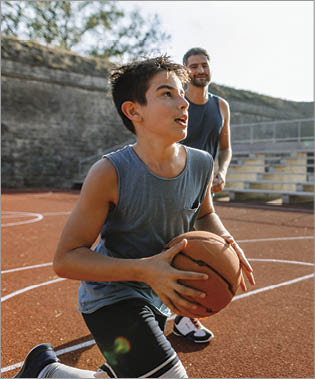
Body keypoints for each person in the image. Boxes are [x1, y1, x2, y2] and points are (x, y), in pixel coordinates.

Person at [15, 56, 254, 379]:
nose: (184, 103)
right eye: (167, 93)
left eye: (182, 93)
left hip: (158, 293)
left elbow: (205, 213)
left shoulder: (200, 164)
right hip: (110, 297)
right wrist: (145, 270)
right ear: (133, 111)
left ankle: (45, 371)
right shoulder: (110, 172)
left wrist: (225, 241)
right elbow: (66, 259)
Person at [172, 47, 233, 344]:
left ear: (210, 68)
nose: (199, 70)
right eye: (193, 66)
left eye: (203, 65)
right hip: (175, 186)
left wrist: (222, 170)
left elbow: (225, 147)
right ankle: (175, 313)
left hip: (205, 192)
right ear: (185, 71)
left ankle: (184, 315)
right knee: (178, 249)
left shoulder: (221, 106)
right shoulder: (178, 104)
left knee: (199, 254)